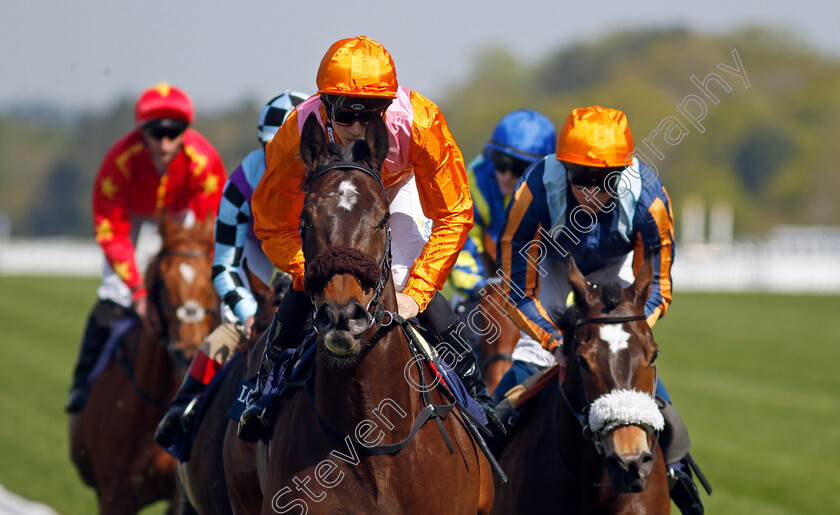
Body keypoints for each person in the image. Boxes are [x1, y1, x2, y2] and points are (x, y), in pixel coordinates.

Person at [238, 35, 503, 442]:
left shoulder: (421, 121)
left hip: (397, 189)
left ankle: (475, 397)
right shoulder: (296, 133)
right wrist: (306, 271)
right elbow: (272, 221)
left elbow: (453, 213)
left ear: (389, 107)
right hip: (330, 194)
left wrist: (419, 291)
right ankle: (265, 390)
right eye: (346, 117)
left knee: (397, 281)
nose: (359, 129)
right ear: (325, 105)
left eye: (373, 115)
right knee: (315, 280)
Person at [495, 105, 705, 515]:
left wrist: (626, 335)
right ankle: (490, 454)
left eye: (604, 180)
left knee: (624, 360)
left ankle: (677, 465)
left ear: (623, 174)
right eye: (580, 178)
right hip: (555, 269)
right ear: (562, 168)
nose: (591, 191)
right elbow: (516, 286)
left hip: (616, 271)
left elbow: (659, 285)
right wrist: (558, 344)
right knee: (522, 375)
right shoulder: (533, 190)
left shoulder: (649, 199)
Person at [154, 91, 308, 448]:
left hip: (309, 269)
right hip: (259, 269)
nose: (282, 157)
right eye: (274, 147)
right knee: (225, 335)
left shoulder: (325, 176)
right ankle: (183, 412)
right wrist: (248, 313)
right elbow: (223, 265)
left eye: (291, 146)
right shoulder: (241, 183)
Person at [64, 82, 226, 414]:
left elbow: (211, 224)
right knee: (114, 292)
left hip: (181, 217)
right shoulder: (120, 160)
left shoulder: (203, 160)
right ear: (142, 132)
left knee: (204, 291)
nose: (165, 144)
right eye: (156, 134)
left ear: (185, 131)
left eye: (174, 132)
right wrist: (138, 293)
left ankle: (221, 380)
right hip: (133, 219)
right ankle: (83, 383)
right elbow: (111, 229)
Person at [448, 109, 556, 302]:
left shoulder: (558, 192)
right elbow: (460, 247)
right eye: (500, 163)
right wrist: (479, 291)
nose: (506, 175)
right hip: (486, 285)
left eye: (518, 168)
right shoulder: (472, 183)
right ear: (491, 155)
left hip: (545, 284)